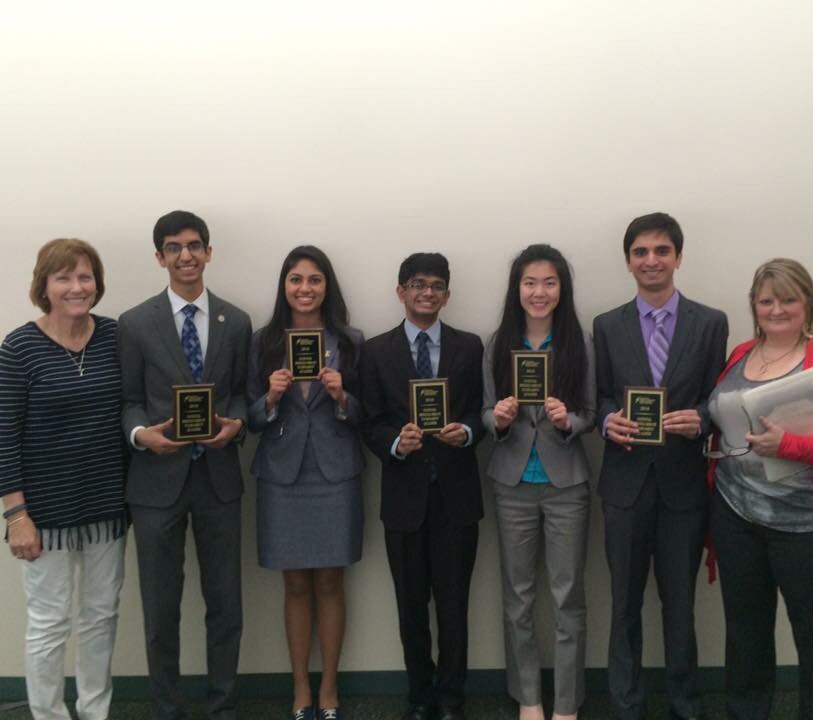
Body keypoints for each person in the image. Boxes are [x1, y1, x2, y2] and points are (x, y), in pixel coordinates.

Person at [706, 258, 813, 720]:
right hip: (734, 515)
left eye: (787, 300)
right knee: (745, 632)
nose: (775, 309)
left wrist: (791, 445)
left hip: (803, 526)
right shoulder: (740, 353)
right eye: (766, 301)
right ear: (754, 306)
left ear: (808, 305)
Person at [593, 212, 728, 720]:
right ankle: (627, 705)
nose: (651, 260)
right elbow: (602, 393)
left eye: (661, 250)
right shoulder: (605, 325)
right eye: (641, 252)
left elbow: (721, 394)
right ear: (628, 261)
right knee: (624, 603)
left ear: (678, 256)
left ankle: (685, 704)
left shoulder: (710, 321)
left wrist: (704, 417)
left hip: (683, 486)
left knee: (679, 603)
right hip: (624, 484)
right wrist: (608, 420)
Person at [118, 210, 252, 720]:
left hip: (218, 479)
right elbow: (128, 399)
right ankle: (167, 709)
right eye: (174, 248)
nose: (187, 256)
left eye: (195, 245)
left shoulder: (236, 321)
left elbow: (241, 394)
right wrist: (140, 435)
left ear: (209, 252)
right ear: (160, 258)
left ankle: (223, 707)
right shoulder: (134, 323)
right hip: (155, 484)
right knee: (160, 610)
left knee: (225, 606)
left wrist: (236, 425)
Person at [0, 238, 128, 720]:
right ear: (44, 286)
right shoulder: (19, 347)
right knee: (48, 624)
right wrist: (16, 516)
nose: (77, 287)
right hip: (43, 514)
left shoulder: (115, 336)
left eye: (85, 277)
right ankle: (47, 715)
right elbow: (4, 438)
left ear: (97, 283)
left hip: (107, 509)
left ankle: (95, 712)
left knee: (101, 619)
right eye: (64, 277)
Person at [359, 253, 484, 720]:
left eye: (435, 285)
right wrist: (395, 441)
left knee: (454, 606)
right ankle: (420, 696)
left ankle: (452, 699)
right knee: (411, 608)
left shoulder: (471, 347)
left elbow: (480, 413)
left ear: (447, 295)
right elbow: (368, 422)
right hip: (404, 499)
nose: (426, 292)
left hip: (457, 496)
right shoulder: (374, 352)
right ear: (400, 292)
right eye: (416, 284)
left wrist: (467, 433)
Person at [246, 246, 365, 720]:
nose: (305, 288)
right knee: (294, 584)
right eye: (295, 279)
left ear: (327, 286)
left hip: (335, 472)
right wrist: (271, 399)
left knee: (332, 581)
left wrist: (341, 397)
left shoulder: (351, 341)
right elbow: (249, 416)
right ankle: (300, 690)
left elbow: (366, 413)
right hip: (281, 474)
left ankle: (330, 689)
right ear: (284, 287)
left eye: (314, 279)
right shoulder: (263, 342)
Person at [481, 245, 596, 720]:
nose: (539, 292)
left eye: (549, 282)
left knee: (568, 595)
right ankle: (528, 697)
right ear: (517, 288)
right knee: (519, 595)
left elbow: (590, 413)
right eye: (530, 283)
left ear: (561, 288)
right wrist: (500, 419)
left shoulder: (580, 344)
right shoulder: (497, 343)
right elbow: (486, 413)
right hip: (512, 485)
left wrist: (569, 421)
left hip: (566, 483)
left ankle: (566, 703)